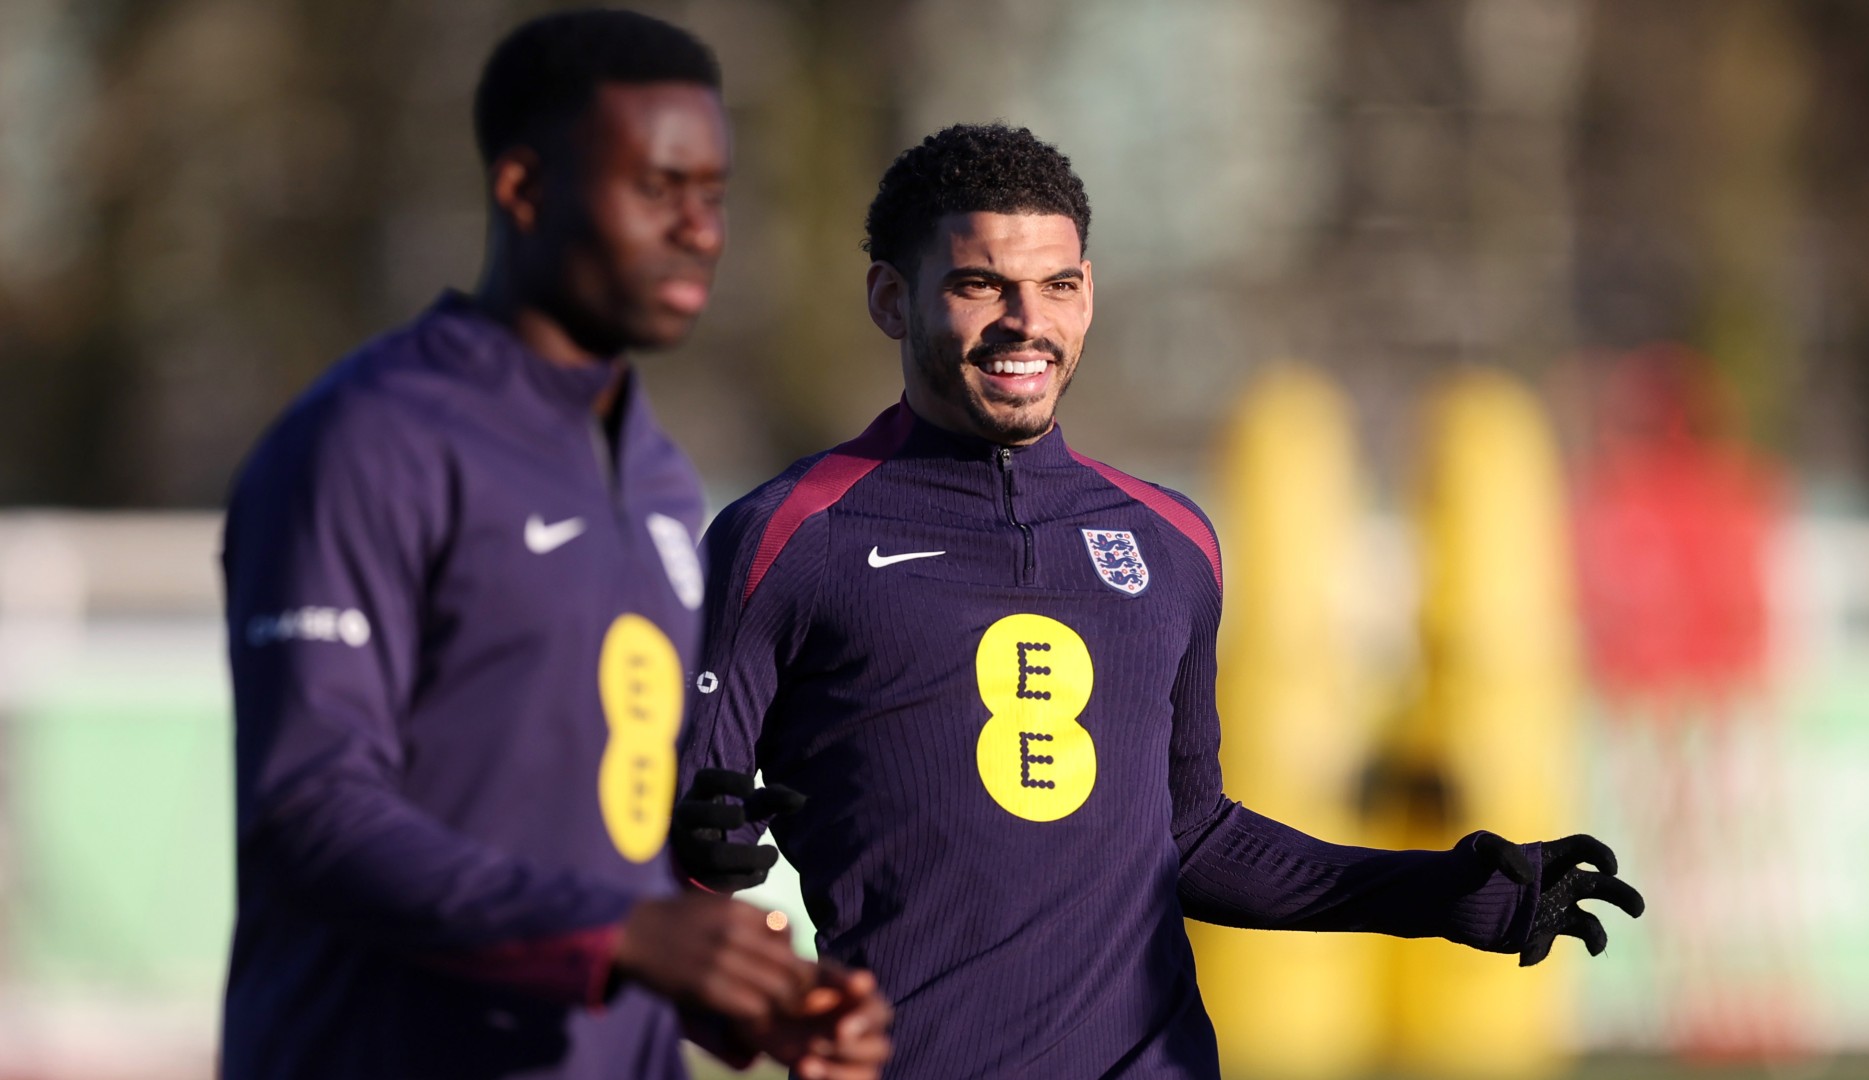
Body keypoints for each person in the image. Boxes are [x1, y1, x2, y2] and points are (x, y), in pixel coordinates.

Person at [675, 124, 1643, 1078]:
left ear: (1088, 294)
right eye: (981, 285)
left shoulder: (1165, 541)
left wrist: (1438, 891)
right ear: (892, 298)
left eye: (1058, 285)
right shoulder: (787, 541)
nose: (1027, 322)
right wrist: (695, 871)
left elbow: (1196, 836)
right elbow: (665, 860)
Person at [219, 11, 888, 1079]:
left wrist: (747, 994)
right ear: (524, 190)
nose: (701, 228)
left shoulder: (663, 479)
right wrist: (621, 937)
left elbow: (603, 842)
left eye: (713, 194)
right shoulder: (369, 439)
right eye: (658, 188)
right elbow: (312, 808)